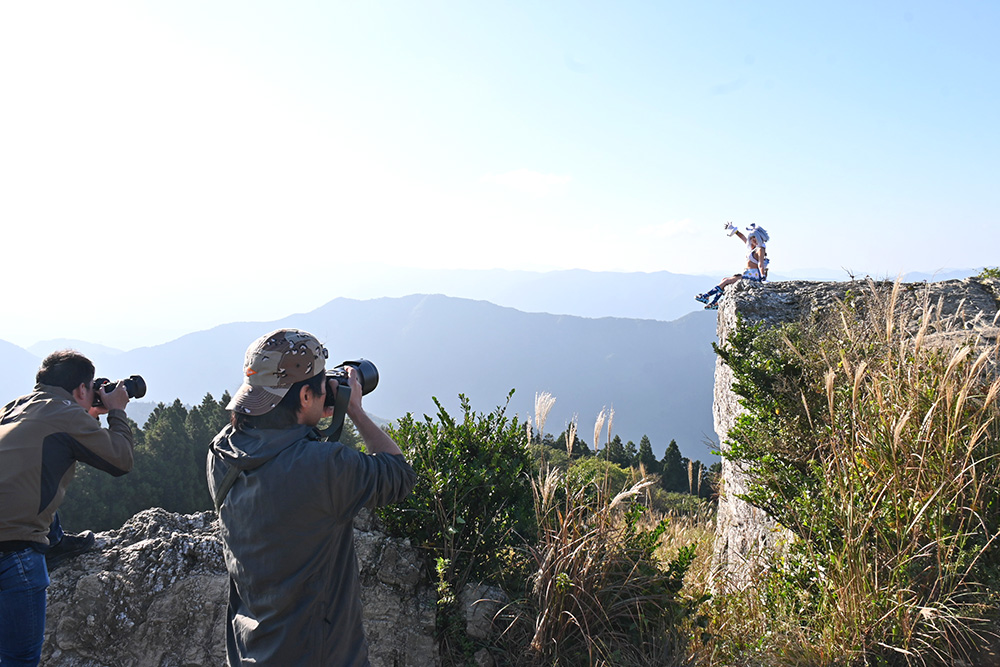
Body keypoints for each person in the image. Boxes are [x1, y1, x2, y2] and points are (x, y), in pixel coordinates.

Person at [206, 328, 416, 666]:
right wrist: (355, 410)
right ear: (305, 396)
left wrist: (308, 418)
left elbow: (278, 453)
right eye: (319, 388)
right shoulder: (321, 468)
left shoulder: (221, 452)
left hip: (249, 652)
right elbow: (399, 475)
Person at [0, 350, 134, 667]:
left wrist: (85, 414)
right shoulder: (66, 415)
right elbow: (121, 460)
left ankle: (56, 541)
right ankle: (53, 543)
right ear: (80, 390)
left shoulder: (12, 408)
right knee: (18, 659)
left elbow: (32, 458)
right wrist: (116, 411)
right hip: (14, 550)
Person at [695, 222, 770, 310]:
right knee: (724, 279)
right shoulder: (752, 248)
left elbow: (760, 264)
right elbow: (743, 238)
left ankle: (707, 296)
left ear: (760, 238)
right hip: (748, 274)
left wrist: (763, 277)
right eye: (752, 237)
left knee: (726, 281)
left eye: (755, 237)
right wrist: (734, 230)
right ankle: (714, 302)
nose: (753, 239)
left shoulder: (760, 249)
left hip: (752, 276)